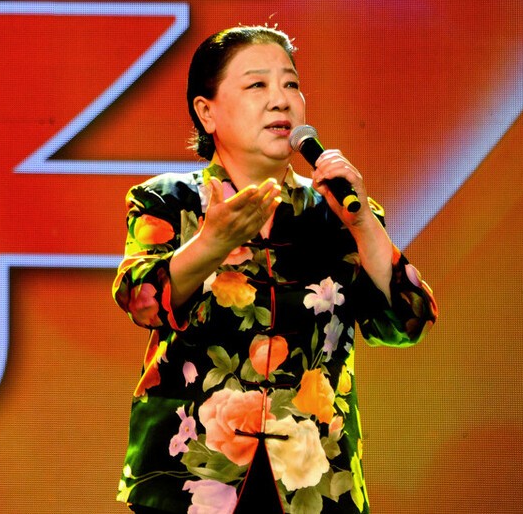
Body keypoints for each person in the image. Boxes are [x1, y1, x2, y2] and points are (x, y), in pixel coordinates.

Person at [113, 25, 437, 513]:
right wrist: (210, 245)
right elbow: (140, 301)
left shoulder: (338, 213)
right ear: (206, 112)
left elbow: (407, 323)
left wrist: (363, 224)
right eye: (257, 85)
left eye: (290, 84)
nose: (280, 100)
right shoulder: (168, 200)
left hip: (316, 479)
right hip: (192, 479)